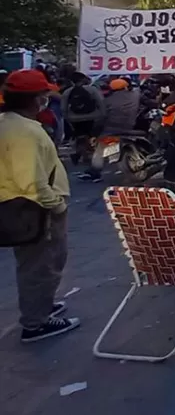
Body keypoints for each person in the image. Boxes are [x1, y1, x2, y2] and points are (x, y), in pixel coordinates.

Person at [0, 69, 79, 342]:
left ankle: (41, 304)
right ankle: (36, 323)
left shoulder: (8, 123)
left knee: (36, 263)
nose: (47, 98)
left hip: (21, 206)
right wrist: (57, 206)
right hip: (35, 209)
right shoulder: (25, 132)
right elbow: (31, 182)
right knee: (42, 264)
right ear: (35, 99)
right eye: (44, 94)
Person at [62, 73, 105, 175]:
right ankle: (87, 155)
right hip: (92, 116)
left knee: (79, 136)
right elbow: (101, 102)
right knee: (91, 136)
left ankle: (80, 153)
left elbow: (63, 108)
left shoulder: (68, 92)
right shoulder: (92, 90)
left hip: (74, 118)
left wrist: (68, 118)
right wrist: (103, 114)